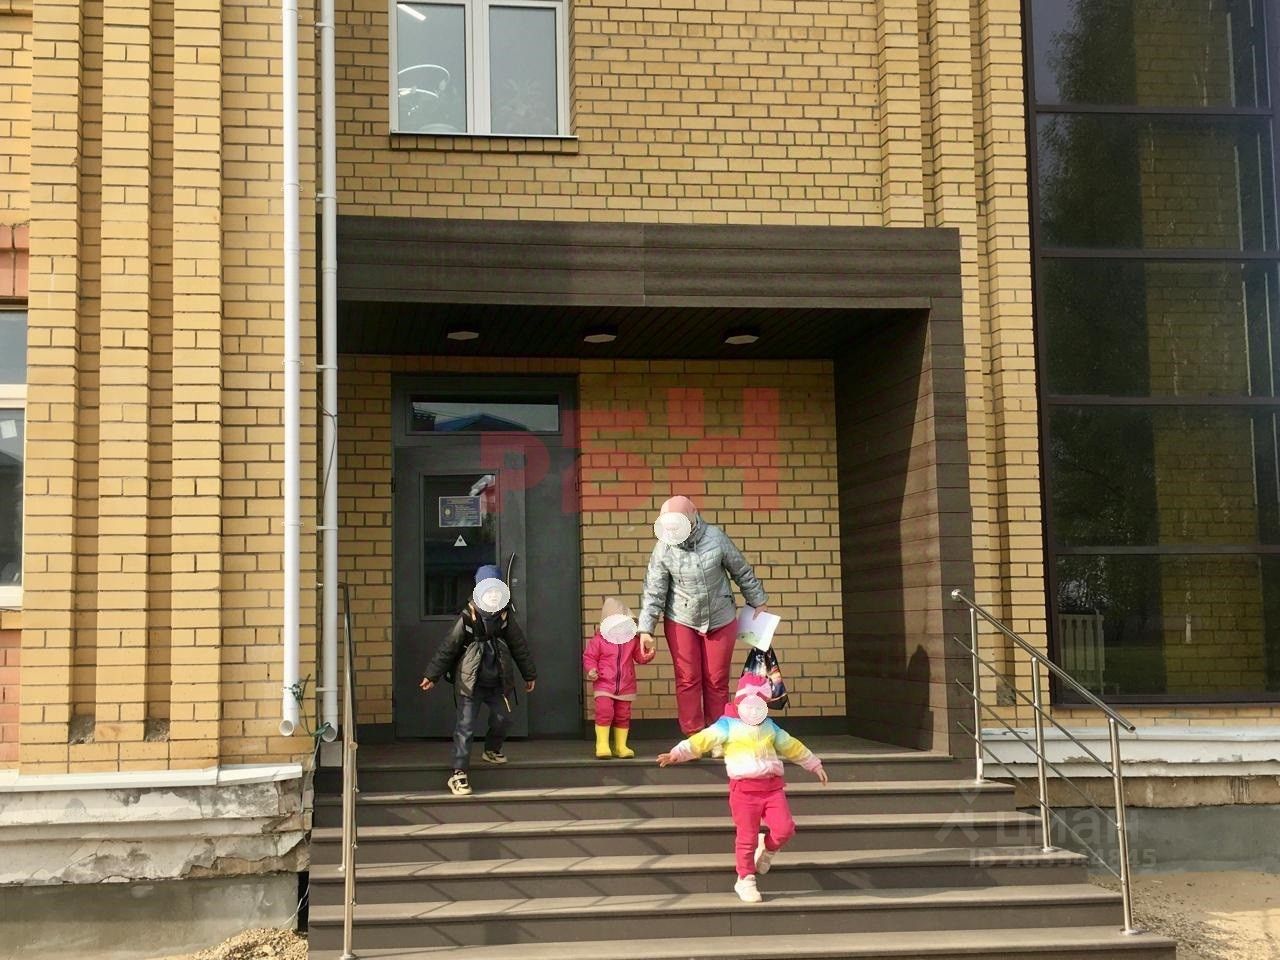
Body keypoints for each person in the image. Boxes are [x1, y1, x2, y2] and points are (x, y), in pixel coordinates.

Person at [658, 673, 827, 903]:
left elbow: (791, 745)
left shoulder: (769, 726)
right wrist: (677, 753)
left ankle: (767, 849)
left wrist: (813, 763)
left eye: (761, 703)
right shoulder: (727, 724)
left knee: (785, 829)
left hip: (772, 788)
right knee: (746, 838)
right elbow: (703, 739)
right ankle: (745, 878)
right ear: (740, 701)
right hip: (744, 791)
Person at [638, 495, 769, 739]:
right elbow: (654, 590)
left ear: (692, 517)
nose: (674, 532)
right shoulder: (664, 547)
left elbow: (741, 571)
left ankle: (718, 735)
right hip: (681, 618)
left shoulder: (716, 538)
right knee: (687, 679)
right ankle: (694, 736)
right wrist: (646, 629)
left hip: (721, 617)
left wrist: (758, 602)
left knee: (716, 680)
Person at [419, 564, 536, 796]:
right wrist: (432, 675)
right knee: (465, 728)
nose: (492, 595)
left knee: (504, 718)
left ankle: (491, 749)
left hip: (497, 680)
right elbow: (448, 647)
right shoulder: (467, 617)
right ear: (479, 591)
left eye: (496, 591)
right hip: (470, 683)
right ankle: (458, 773)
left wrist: (529, 674)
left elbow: (519, 647)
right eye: (487, 590)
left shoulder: (505, 617)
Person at [582, 598, 657, 759]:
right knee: (604, 711)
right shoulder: (598, 640)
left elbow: (639, 657)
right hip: (604, 684)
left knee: (623, 715)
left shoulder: (632, 640)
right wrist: (591, 669)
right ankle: (602, 744)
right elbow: (589, 657)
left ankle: (620, 746)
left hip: (626, 685)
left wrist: (648, 654)